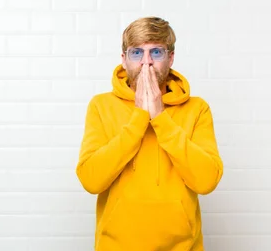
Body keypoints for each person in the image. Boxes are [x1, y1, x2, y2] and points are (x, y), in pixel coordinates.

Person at [76, 17, 223, 251]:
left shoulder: (197, 109)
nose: (147, 63)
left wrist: (160, 117)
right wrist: (139, 118)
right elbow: (91, 180)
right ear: (124, 60)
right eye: (137, 53)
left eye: (156, 52)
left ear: (171, 58)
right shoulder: (101, 106)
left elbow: (206, 182)